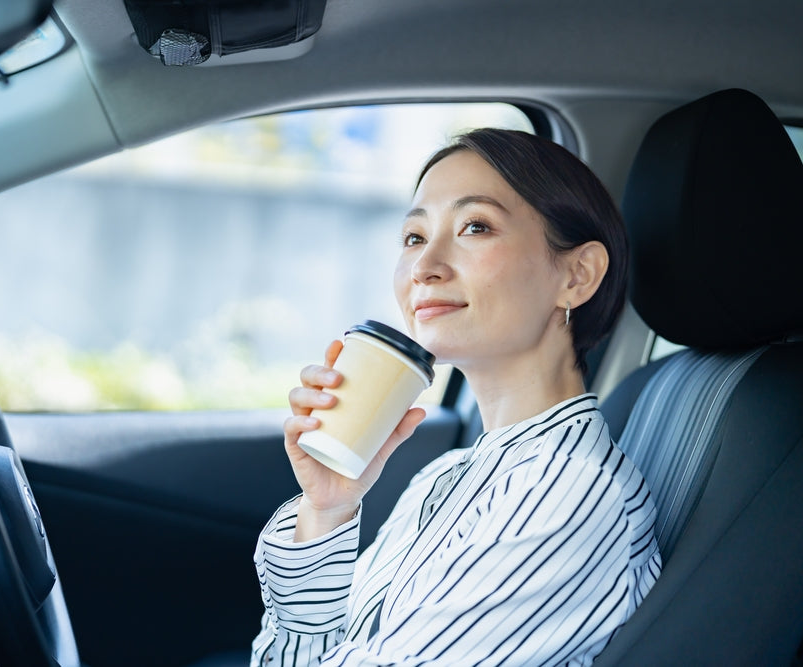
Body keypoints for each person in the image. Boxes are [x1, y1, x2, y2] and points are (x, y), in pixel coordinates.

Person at [250, 128, 662, 666]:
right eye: (414, 238)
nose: (424, 267)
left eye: (475, 226)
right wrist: (328, 509)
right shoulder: (446, 477)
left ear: (577, 275)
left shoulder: (563, 494)